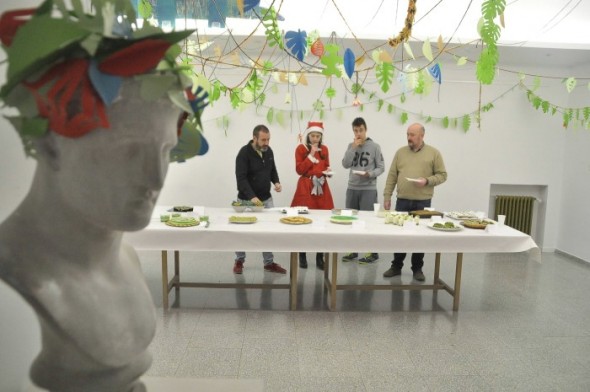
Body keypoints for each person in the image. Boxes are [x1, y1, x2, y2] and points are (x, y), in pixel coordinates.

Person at [0, 2, 208, 391]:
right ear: (49, 145)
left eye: (165, 150)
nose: (156, 178)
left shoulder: (126, 260)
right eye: (128, 149)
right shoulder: (16, 276)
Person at [382, 122, 447, 281]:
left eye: (412, 135)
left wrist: (427, 180)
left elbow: (442, 175)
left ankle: (417, 268)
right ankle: (396, 266)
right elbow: (392, 175)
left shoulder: (434, 153)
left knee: (420, 236)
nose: (409, 138)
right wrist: (387, 195)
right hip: (402, 201)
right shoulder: (400, 153)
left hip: (423, 203)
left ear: (421, 136)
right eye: (408, 134)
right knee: (400, 236)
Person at [234, 124, 287, 274]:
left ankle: (269, 263)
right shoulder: (243, 153)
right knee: (241, 232)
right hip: (245, 200)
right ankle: (239, 260)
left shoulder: (268, 151)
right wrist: (253, 197)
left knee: (268, 231)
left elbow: (272, 170)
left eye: (268, 139)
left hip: (266, 199)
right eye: (263, 140)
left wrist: (276, 182)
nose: (267, 143)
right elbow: (241, 179)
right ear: (254, 138)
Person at [290, 121, 334, 270]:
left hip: (321, 188)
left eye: (318, 136)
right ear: (308, 135)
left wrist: (328, 173)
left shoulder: (325, 149)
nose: (315, 139)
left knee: (322, 222)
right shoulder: (301, 149)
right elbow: (299, 169)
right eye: (313, 136)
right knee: (303, 221)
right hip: (306, 187)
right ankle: (302, 254)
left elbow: (326, 165)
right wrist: (311, 155)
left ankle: (319, 256)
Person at [341, 117, 385, 264]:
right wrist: (353, 147)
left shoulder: (375, 146)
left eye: (361, 130)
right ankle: (353, 250)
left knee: (368, 220)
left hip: (368, 188)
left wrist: (370, 174)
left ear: (365, 130)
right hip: (352, 187)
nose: (358, 133)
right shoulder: (350, 145)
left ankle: (372, 252)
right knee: (351, 220)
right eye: (355, 130)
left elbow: (381, 167)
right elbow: (345, 164)